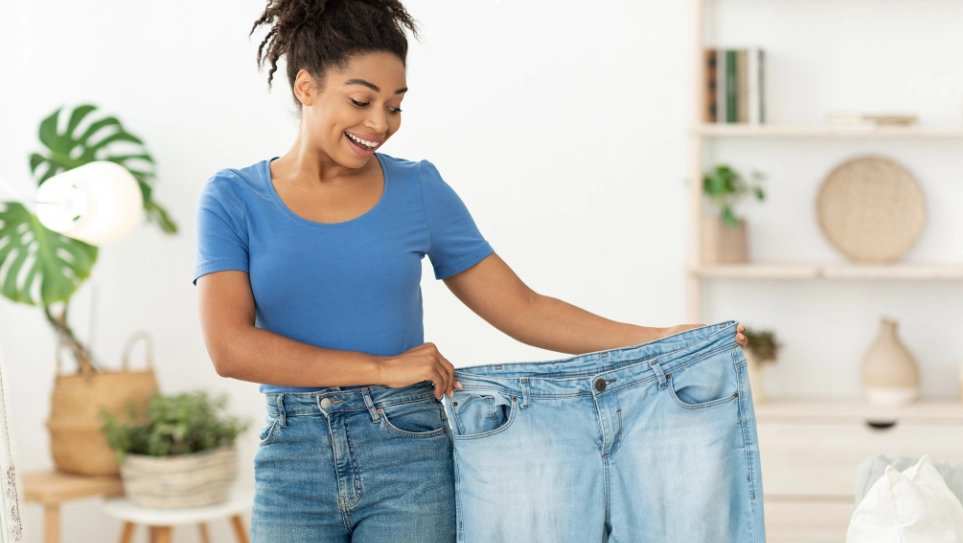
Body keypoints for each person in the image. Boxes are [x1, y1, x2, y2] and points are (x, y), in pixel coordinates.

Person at [193, 0, 749, 541]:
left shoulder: (418, 189)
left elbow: (523, 308)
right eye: (362, 100)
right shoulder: (233, 198)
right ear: (306, 86)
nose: (380, 123)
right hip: (292, 455)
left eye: (395, 105)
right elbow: (231, 349)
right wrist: (382, 367)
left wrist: (658, 342)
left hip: (405, 449)